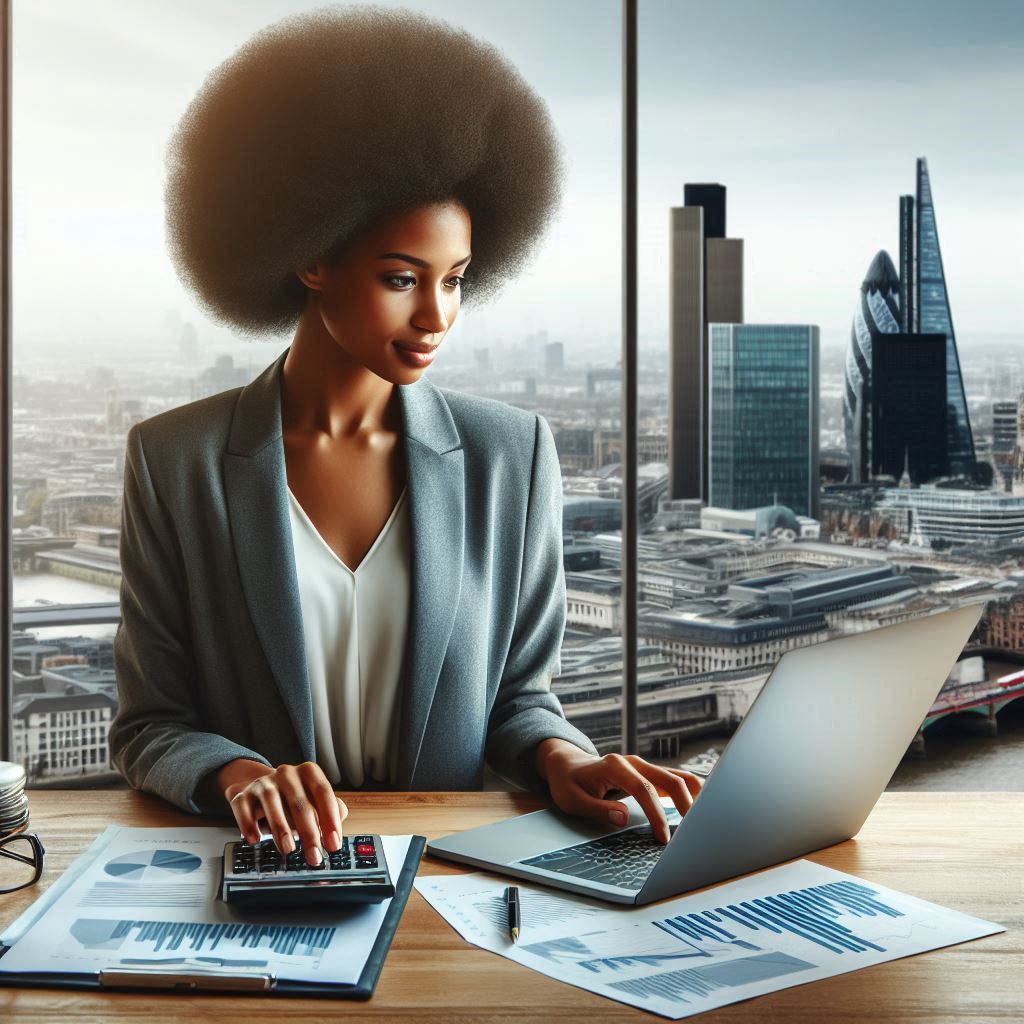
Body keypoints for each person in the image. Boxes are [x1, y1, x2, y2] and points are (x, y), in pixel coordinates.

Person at [110, 5, 701, 866]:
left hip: (457, 880)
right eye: (401, 278)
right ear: (311, 256)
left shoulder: (514, 456)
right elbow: (150, 724)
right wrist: (238, 774)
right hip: (263, 877)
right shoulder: (175, 463)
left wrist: (564, 758)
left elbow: (519, 700)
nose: (437, 317)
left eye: (457, 280)